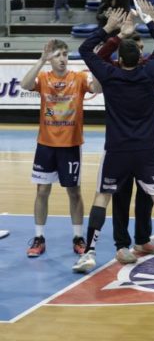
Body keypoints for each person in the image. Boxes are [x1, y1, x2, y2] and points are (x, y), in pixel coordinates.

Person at [72, 0, 154, 275]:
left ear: (119, 59)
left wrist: (112, 31)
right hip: (147, 150)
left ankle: (89, 253)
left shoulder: (110, 74)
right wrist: (151, 21)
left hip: (117, 149)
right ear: (139, 57)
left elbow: (85, 49)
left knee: (102, 197)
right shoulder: (149, 72)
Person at [95, 10, 154, 265]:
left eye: (141, 47)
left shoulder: (145, 68)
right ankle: (121, 244)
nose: (141, 52)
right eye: (138, 48)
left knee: (146, 197)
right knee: (121, 198)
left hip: (140, 145)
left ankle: (142, 239)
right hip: (125, 145)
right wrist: (125, 34)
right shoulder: (123, 70)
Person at [19, 39, 101, 258]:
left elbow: (98, 88)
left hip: (71, 145)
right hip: (46, 145)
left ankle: (78, 237)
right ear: (50, 59)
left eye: (65, 54)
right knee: (42, 191)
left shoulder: (79, 78)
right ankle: (39, 237)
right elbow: (24, 85)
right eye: (58, 55)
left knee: (74, 192)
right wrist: (41, 60)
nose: (63, 59)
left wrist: (94, 62)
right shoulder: (44, 78)